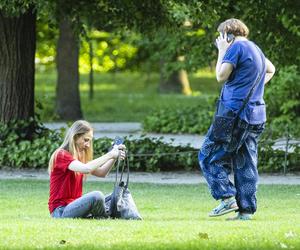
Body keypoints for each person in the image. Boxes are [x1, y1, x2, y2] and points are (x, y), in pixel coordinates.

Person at [198, 18, 275, 220]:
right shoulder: (255, 48)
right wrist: (254, 87)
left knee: (208, 155)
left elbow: (220, 76)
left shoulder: (235, 48)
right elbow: (271, 69)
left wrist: (222, 50)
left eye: (221, 37)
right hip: (256, 115)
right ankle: (246, 211)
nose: (220, 40)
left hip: (233, 115)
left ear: (228, 35)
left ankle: (226, 198)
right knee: (245, 163)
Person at [48, 120, 126, 219]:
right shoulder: (61, 155)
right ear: (75, 137)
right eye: (86, 140)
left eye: (90, 140)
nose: (88, 145)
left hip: (73, 206)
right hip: (60, 211)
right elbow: (86, 168)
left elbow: (102, 173)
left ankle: (102, 215)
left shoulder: (79, 156)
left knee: (111, 197)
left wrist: (114, 157)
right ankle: (104, 216)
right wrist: (110, 154)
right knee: (97, 196)